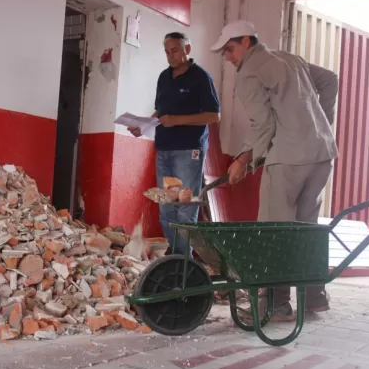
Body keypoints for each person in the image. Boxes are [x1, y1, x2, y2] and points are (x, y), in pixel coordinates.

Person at [210, 21, 339, 321]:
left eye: (230, 49)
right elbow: (330, 80)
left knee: (274, 229)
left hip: (289, 159)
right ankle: (315, 295)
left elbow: (263, 125)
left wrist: (243, 160)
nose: (228, 57)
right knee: (306, 226)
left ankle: (276, 303)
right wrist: (322, 121)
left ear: (246, 41)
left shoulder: (250, 73)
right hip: (321, 154)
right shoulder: (289, 59)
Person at [129, 32, 221, 256]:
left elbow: (213, 116)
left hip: (188, 151)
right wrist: (145, 125)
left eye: (175, 50)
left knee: (184, 207)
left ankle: (183, 263)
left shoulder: (201, 77)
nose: (170, 56)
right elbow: (161, 112)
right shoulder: (163, 77)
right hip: (164, 149)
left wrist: (176, 121)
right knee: (166, 207)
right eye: (167, 52)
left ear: (187, 50)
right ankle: (177, 258)